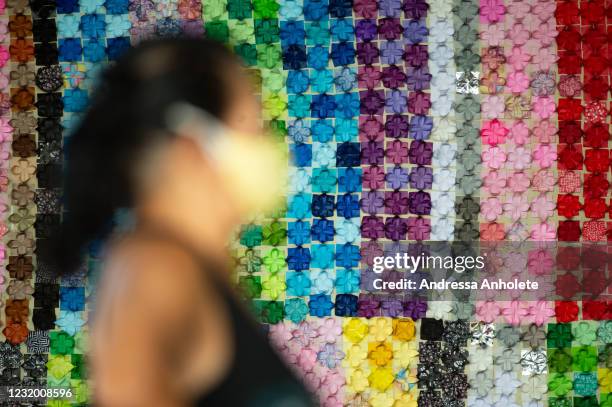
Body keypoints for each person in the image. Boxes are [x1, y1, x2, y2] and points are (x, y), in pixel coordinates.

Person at [54, 38, 315, 407]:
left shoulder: (191, 265)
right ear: (193, 141)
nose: (271, 145)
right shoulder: (156, 267)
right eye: (253, 125)